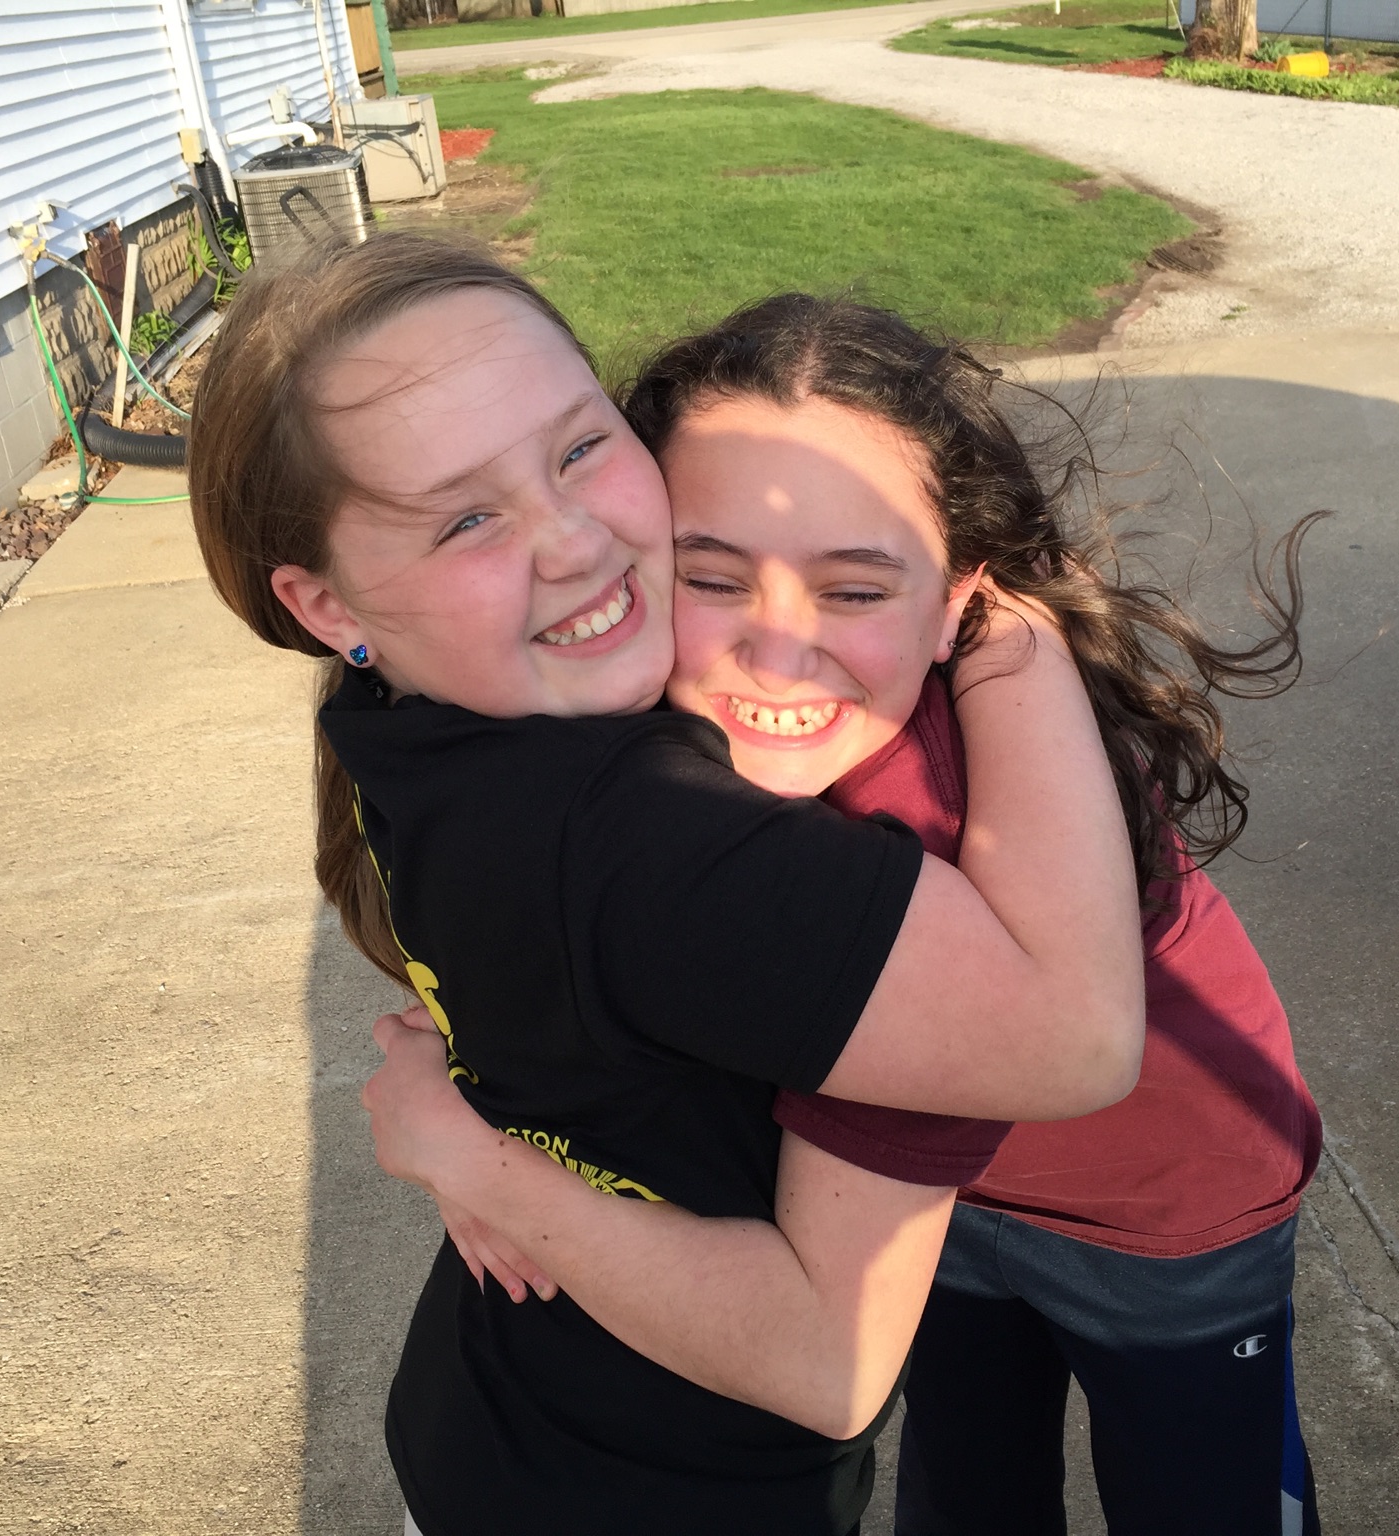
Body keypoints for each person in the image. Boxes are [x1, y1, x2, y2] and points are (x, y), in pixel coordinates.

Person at [186, 234, 1146, 1536]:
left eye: (579, 447)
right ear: (328, 605)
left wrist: (475, 1150)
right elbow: (1077, 1037)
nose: (574, 541)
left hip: (485, 1424)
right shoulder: (646, 841)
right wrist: (1005, 618)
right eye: (464, 518)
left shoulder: (409, 716)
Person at [372, 294, 1326, 1534]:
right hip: (931, 1209)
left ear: (953, 605)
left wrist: (475, 1163)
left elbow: (826, 1357)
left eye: (856, 591)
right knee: (965, 1489)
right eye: (710, 576)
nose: (775, 657)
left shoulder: (910, 830)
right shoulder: (640, 732)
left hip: (1163, 1207)